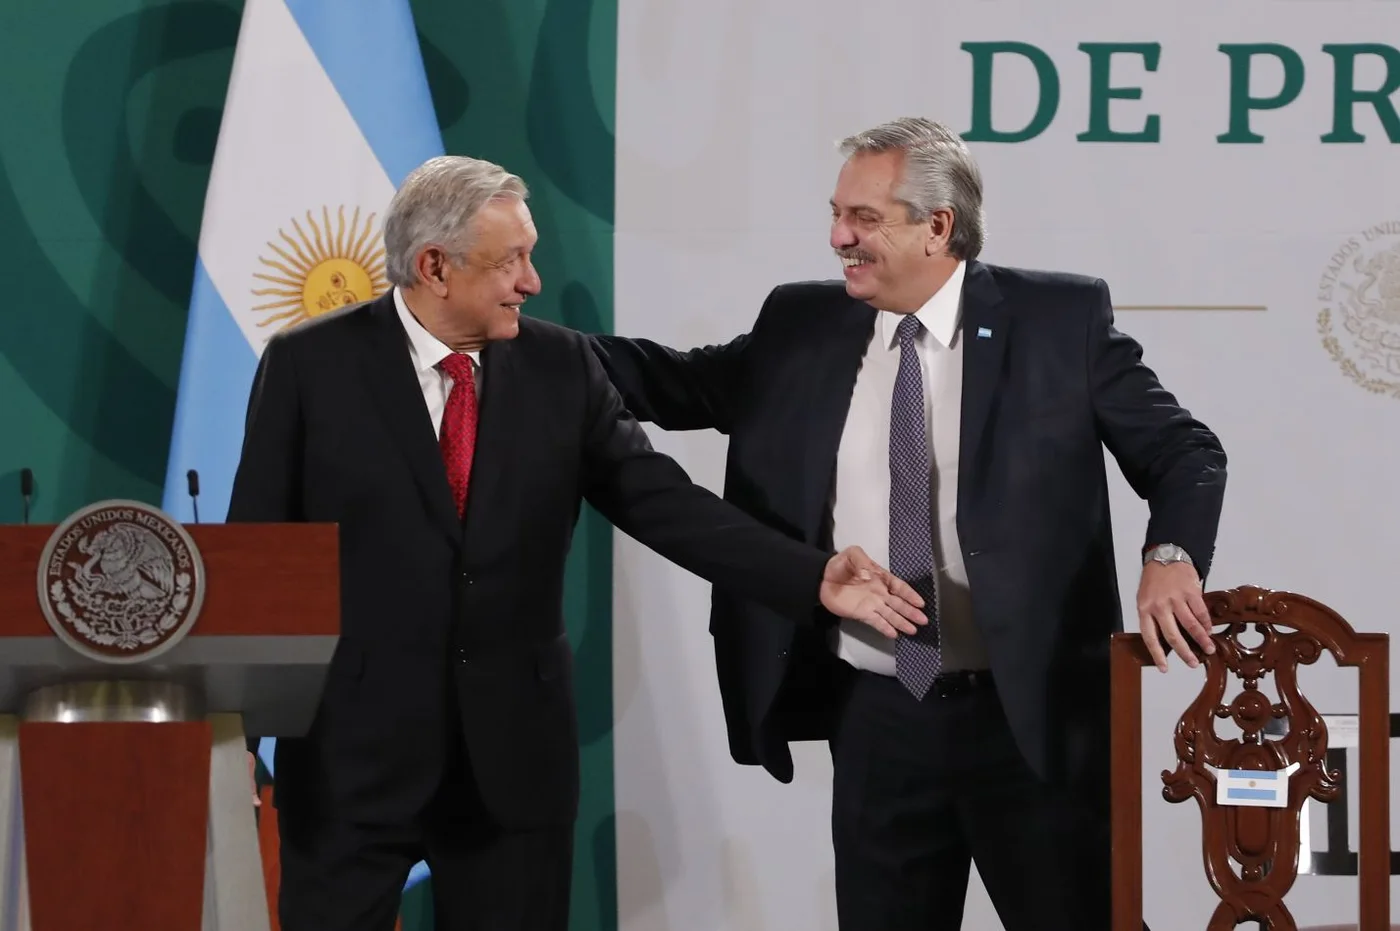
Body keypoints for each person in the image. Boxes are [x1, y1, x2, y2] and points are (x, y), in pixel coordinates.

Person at [226, 154, 928, 931]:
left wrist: (813, 577)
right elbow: (257, 558)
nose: (531, 282)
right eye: (511, 261)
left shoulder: (561, 366)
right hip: (349, 753)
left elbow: (664, 504)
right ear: (434, 267)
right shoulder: (310, 366)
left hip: (513, 760)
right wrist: (234, 744)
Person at [590, 117, 1227, 930]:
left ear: (938, 226)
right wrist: (511, 332)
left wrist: (1170, 554)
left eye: (863, 219)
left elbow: (1184, 450)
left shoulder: (1059, 321)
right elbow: (672, 385)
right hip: (878, 716)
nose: (837, 238)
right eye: (835, 214)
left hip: (1030, 719)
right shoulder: (802, 324)